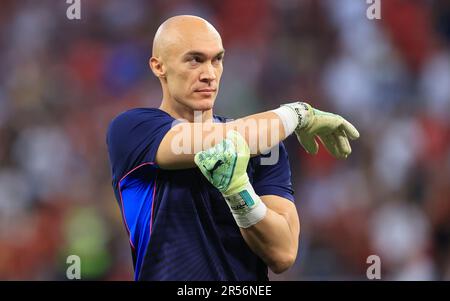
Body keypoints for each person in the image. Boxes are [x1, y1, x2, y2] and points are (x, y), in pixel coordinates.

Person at [106, 15, 359, 281]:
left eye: (217, 59)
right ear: (159, 66)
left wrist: (240, 194)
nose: (209, 74)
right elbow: (207, 140)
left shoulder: (265, 146)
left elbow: (283, 254)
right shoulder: (131, 129)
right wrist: (297, 114)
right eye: (195, 60)